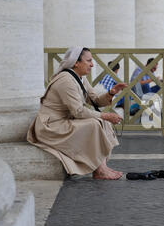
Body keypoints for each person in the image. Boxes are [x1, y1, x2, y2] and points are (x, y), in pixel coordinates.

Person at [27, 47, 128, 180]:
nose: (92, 64)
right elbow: (78, 111)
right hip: (51, 126)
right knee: (95, 123)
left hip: (64, 121)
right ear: (76, 62)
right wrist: (106, 115)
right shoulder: (65, 80)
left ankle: (101, 167)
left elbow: (95, 100)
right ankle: (100, 170)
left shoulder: (79, 78)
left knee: (101, 121)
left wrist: (111, 93)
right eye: (89, 61)